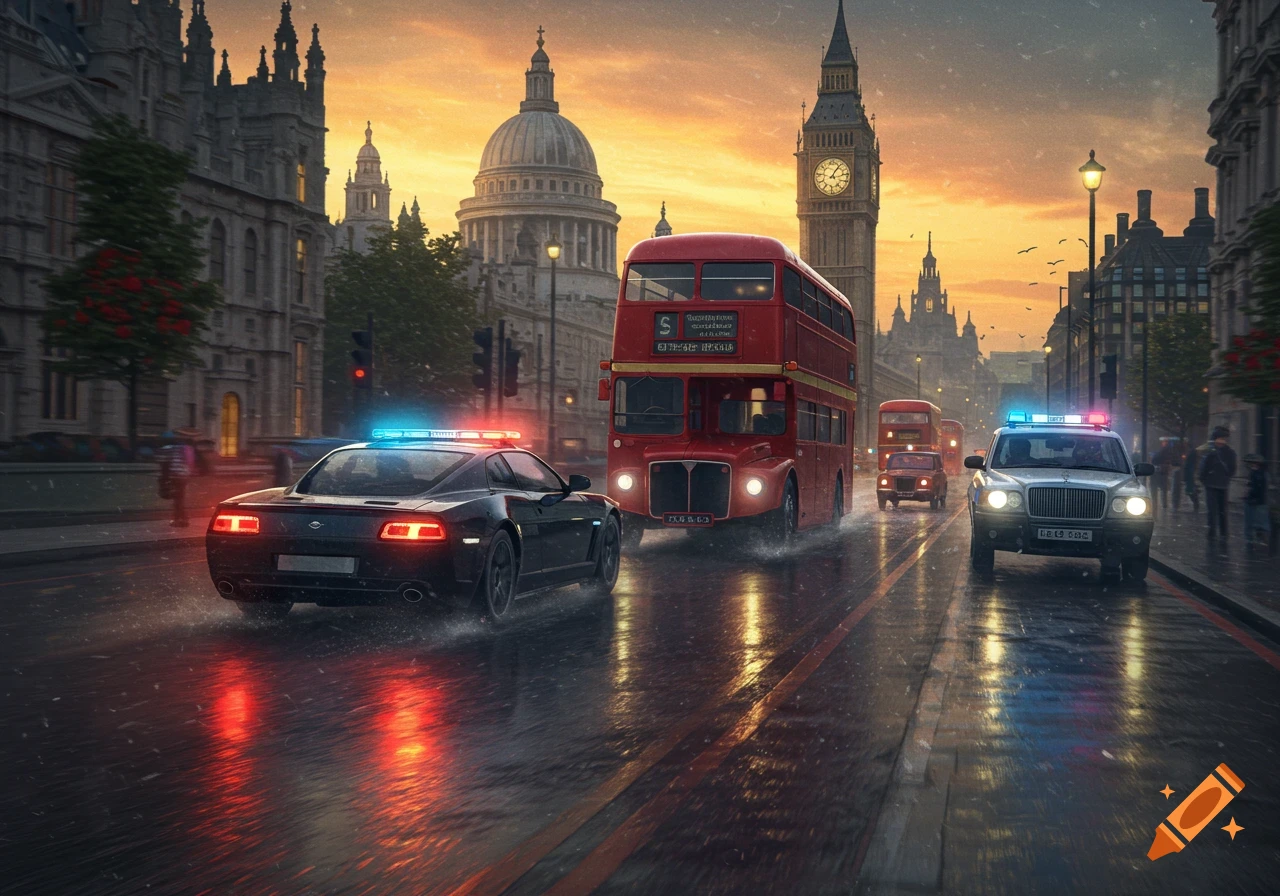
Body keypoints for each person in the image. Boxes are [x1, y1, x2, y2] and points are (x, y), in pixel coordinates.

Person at [1199, 426, 1237, 538]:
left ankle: (1214, 532)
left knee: (1214, 510)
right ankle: (1223, 533)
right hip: (1220, 484)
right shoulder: (1229, 452)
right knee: (1221, 510)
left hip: (1213, 484)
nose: (1221, 441)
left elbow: (1203, 468)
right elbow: (1232, 469)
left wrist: (1204, 479)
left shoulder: (1211, 452)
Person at [163, 440, 195, 527]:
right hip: (183, 476)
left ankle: (181, 519)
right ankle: (182, 519)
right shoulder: (187, 449)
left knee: (178, 499)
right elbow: (190, 463)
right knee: (179, 499)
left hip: (177, 476)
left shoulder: (173, 449)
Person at [1243, 454, 1271, 547]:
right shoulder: (1260, 473)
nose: (1251, 465)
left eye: (1252, 463)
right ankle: (1257, 539)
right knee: (1258, 522)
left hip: (1256, 501)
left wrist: (1249, 494)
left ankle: (1253, 539)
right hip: (1258, 501)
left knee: (1254, 522)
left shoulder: (1258, 474)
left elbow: (1256, 487)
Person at [1152, 439, 1177, 512]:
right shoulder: (1168, 453)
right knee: (1164, 490)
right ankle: (1164, 505)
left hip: (1158, 473)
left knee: (1156, 490)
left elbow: (1154, 461)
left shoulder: (1159, 453)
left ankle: (1155, 503)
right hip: (1163, 474)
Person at [1182, 443, 1200, 513]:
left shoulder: (1191, 454)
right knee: (1190, 491)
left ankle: (1196, 505)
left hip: (1190, 475)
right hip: (1190, 475)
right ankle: (1196, 505)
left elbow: (1188, 466)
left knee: (1190, 491)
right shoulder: (1192, 454)